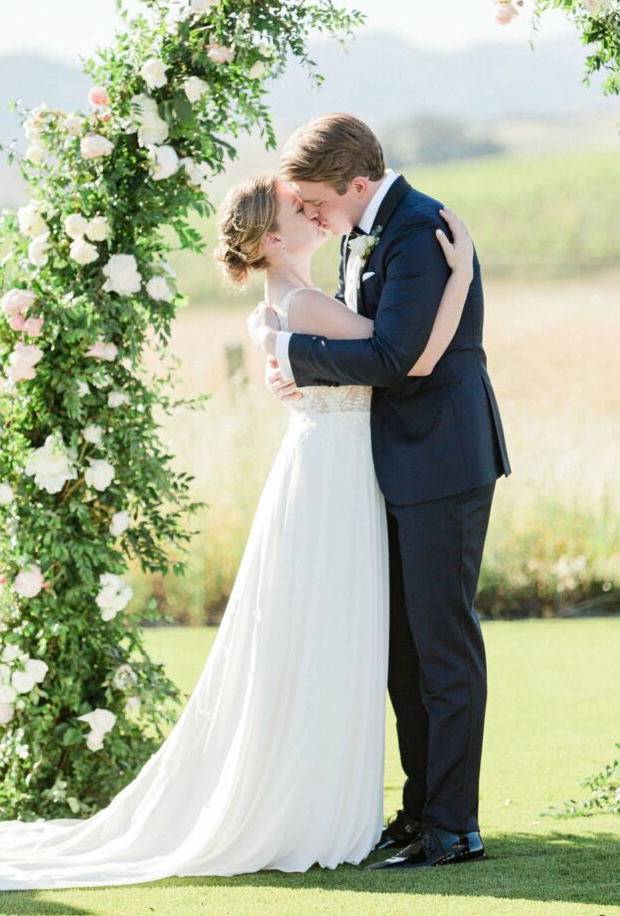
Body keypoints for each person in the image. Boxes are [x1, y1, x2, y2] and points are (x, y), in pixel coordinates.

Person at [0, 170, 474, 890]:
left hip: (323, 472)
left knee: (314, 636)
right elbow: (411, 358)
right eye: (298, 208)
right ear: (275, 238)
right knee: (329, 636)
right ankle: (315, 803)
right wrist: (460, 276)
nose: (314, 211)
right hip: (336, 479)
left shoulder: (287, 303)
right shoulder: (308, 302)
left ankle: (322, 792)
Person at [248, 113, 511, 871]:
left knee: (442, 645)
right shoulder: (368, 231)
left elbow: (398, 356)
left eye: (316, 202)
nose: (312, 217)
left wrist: (290, 351)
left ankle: (453, 826)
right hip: (390, 461)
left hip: (442, 462)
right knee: (401, 649)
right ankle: (420, 809)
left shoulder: (420, 229)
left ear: (357, 185)